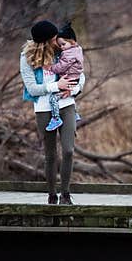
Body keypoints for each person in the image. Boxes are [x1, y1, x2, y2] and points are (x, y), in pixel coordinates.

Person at [19, 19, 85, 205]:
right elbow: (32, 89)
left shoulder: (62, 50)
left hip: (66, 104)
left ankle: (65, 194)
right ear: (46, 41)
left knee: (69, 150)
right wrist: (56, 85)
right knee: (50, 154)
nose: (58, 40)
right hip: (43, 109)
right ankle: (51, 194)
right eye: (54, 38)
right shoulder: (27, 58)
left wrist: (72, 90)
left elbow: (81, 74)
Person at [44, 21, 85, 131]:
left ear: (72, 41)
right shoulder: (78, 49)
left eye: (63, 44)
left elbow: (61, 67)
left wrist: (51, 68)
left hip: (69, 80)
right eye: (60, 45)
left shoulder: (69, 54)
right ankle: (75, 114)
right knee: (69, 97)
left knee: (53, 98)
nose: (62, 47)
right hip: (75, 79)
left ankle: (56, 119)